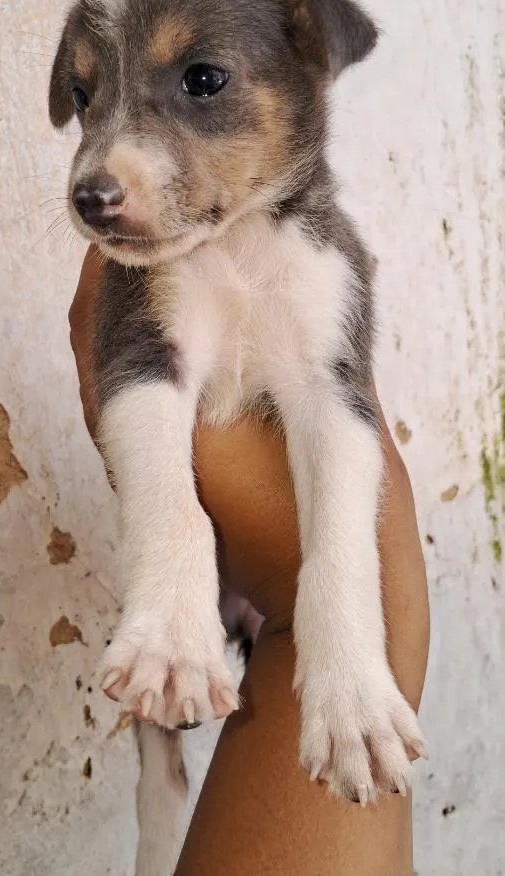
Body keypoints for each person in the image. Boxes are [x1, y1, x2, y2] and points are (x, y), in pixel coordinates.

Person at [70, 246, 430, 876]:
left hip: (304, 580)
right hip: (224, 570)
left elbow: (333, 404)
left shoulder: (304, 247)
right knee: (165, 683)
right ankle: (158, 804)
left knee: (362, 728)